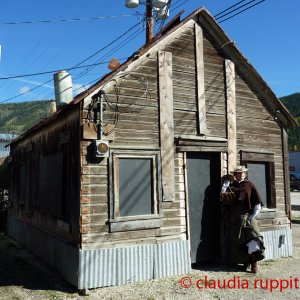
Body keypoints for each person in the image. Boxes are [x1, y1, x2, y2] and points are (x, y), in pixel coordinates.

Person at [221, 165, 265, 274]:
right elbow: (223, 199)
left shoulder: (249, 185)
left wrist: (252, 216)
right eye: (238, 173)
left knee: (254, 237)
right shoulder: (231, 186)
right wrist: (224, 188)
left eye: (243, 173)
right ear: (235, 175)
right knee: (239, 241)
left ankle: (254, 263)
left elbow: (257, 203)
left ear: (245, 174)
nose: (241, 175)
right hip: (235, 218)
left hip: (248, 216)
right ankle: (246, 261)